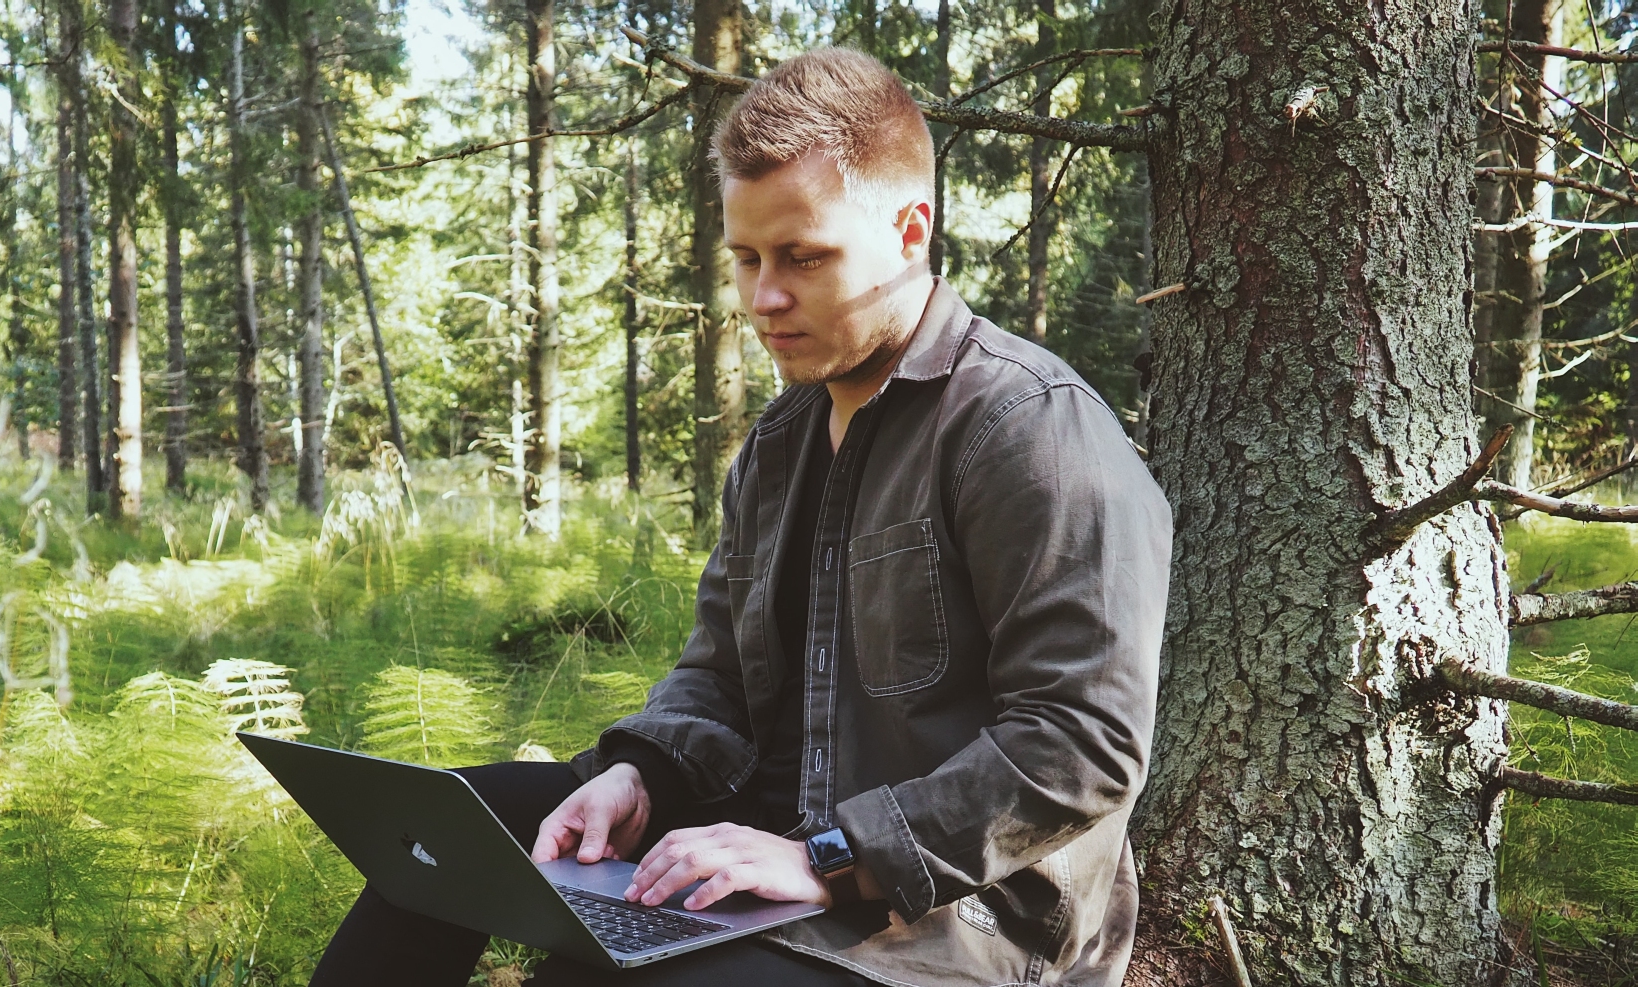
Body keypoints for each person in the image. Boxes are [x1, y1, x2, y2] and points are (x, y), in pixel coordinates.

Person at [311, 46, 1172, 987]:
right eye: (748, 257)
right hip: (769, 849)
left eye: (804, 257)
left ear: (911, 229)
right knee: (443, 839)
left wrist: (827, 857)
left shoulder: (1028, 427)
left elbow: (1082, 740)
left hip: (953, 920)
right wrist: (642, 777)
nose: (764, 298)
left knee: (598, 979)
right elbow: (717, 671)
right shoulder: (780, 441)